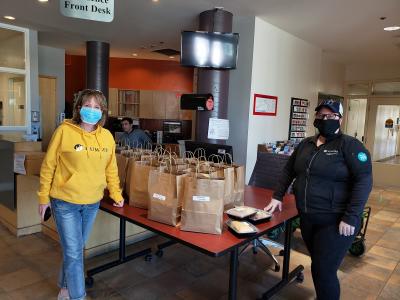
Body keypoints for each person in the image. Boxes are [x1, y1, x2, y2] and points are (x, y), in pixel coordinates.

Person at [265, 99, 372, 300]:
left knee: (324, 270)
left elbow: (364, 180)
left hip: (336, 221)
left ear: (340, 119)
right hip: (308, 218)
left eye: (330, 116)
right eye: (321, 116)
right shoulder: (305, 144)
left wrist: (351, 216)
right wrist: (277, 195)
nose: (325, 119)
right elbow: (289, 170)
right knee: (319, 264)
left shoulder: (349, 145)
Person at [38, 89, 124, 300]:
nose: (92, 110)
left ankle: (65, 288)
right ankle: (78, 296)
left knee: (73, 251)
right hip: (64, 202)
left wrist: (116, 193)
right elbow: (48, 166)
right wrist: (43, 198)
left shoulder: (106, 137)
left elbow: (111, 169)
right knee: (75, 253)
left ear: (102, 111)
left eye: (97, 107)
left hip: (92, 202)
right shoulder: (64, 131)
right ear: (79, 108)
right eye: (88, 105)